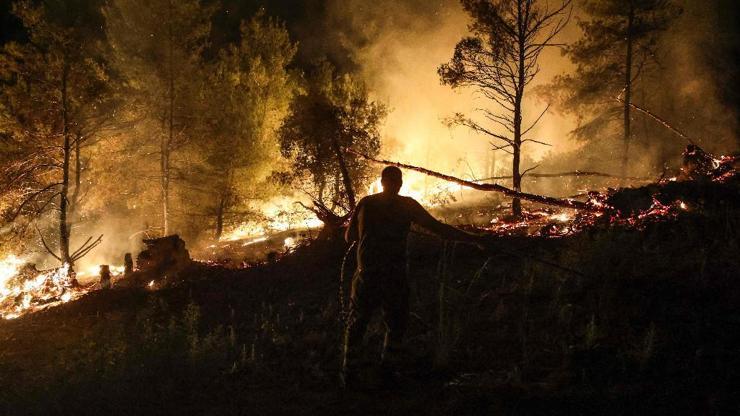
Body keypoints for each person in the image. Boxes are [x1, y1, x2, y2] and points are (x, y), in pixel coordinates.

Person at [341, 166, 485, 388]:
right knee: (396, 324)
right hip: (394, 276)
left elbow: (349, 236)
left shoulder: (366, 203)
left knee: (358, 322)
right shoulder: (407, 205)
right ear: (399, 184)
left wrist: (368, 235)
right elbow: (439, 229)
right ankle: (387, 371)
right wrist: (474, 238)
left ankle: (349, 373)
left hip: (366, 275)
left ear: (382, 182)